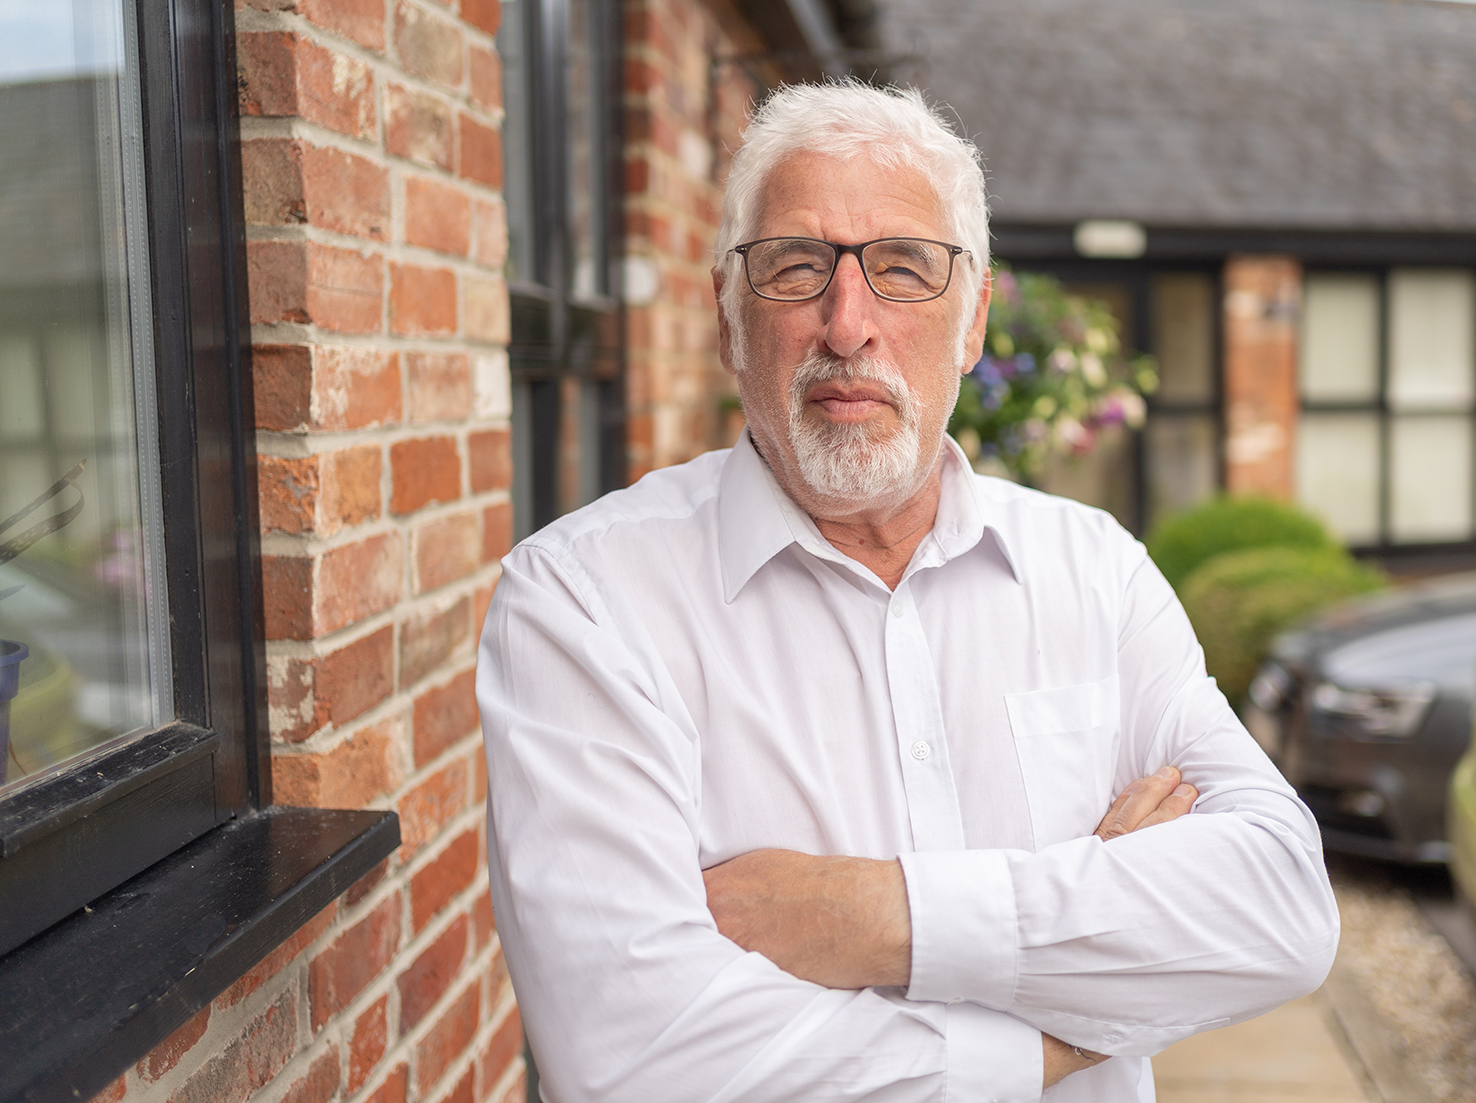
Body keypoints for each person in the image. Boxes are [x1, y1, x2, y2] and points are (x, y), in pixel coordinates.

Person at [477, 80, 1338, 1102]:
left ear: (972, 318)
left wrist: (877, 916)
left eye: (903, 269)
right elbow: (638, 1059)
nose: (849, 325)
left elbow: (1280, 908)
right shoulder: (584, 602)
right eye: (797, 267)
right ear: (725, 314)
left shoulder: (1094, 570)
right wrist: (1065, 1019)